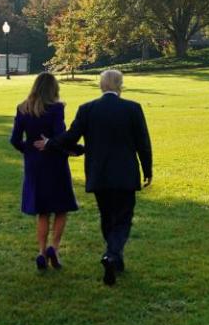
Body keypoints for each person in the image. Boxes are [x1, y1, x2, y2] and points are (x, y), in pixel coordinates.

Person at [35, 69, 152, 286]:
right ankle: (112, 254)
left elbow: (71, 136)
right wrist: (148, 170)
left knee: (107, 216)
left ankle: (115, 258)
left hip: (99, 174)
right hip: (125, 174)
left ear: (101, 86)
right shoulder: (132, 109)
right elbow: (143, 143)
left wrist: (51, 143)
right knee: (123, 218)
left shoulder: (88, 109)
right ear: (120, 85)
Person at [9, 72, 82, 271]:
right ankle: (54, 248)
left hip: (34, 165)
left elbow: (15, 140)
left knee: (42, 211)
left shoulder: (22, 108)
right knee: (61, 207)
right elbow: (60, 136)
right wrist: (75, 149)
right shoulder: (56, 109)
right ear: (53, 89)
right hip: (55, 163)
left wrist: (30, 150)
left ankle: (41, 252)